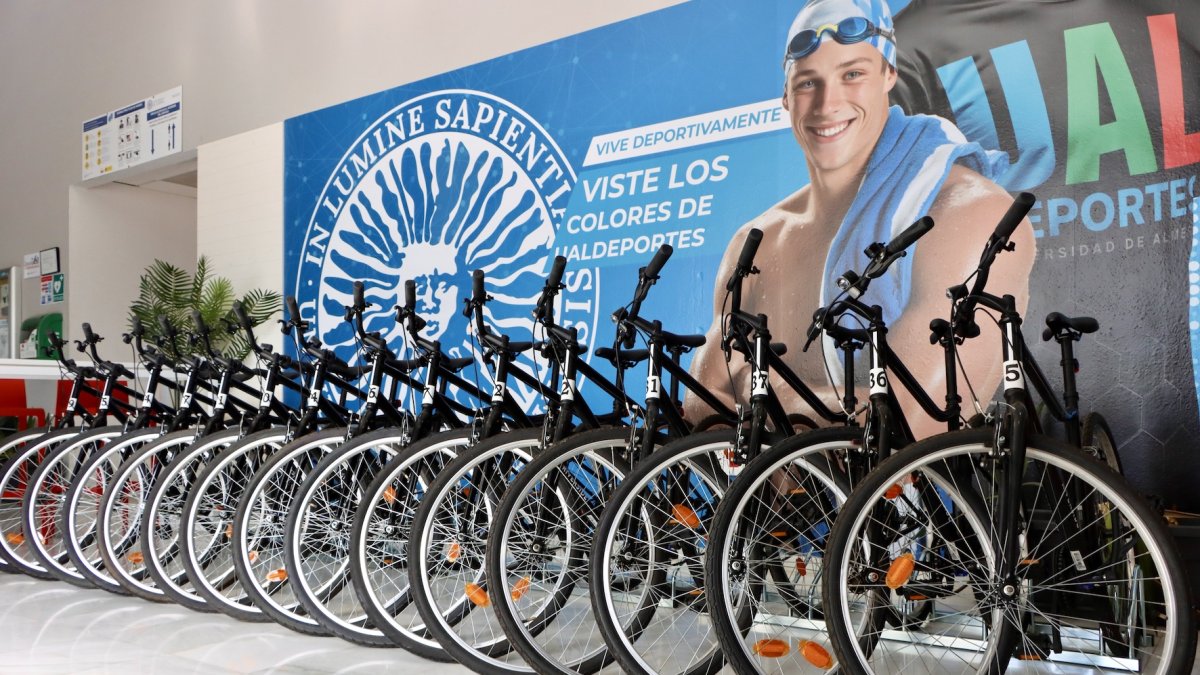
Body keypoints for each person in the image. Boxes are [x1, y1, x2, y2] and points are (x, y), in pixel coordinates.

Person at [684, 0, 1036, 437]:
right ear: (786, 100)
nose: (828, 103)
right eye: (808, 82)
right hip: (762, 506)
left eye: (852, 74)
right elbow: (703, 413)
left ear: (889, 75)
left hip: (913, 505)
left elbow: (910, 425)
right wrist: (814, 417)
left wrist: (778, 409)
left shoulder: (972, 213)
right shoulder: (755, 241)